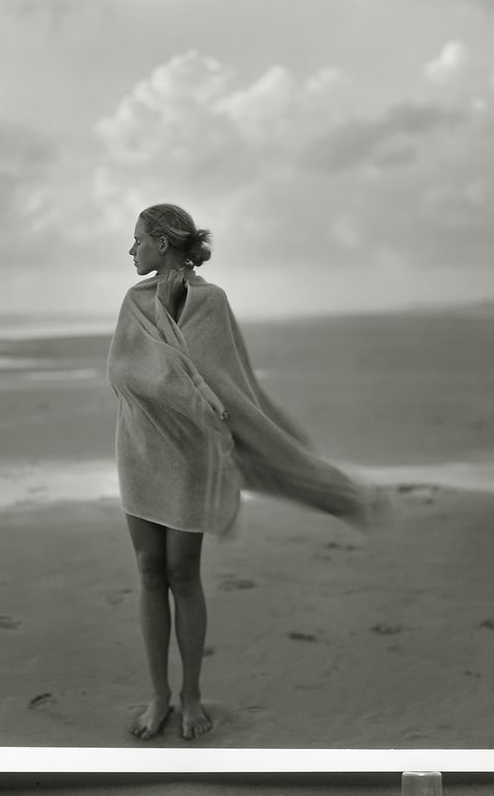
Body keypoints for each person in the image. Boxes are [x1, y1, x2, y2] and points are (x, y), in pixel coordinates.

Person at [106, 203, 382, 742]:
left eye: (138, 239)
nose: (131, 250)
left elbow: (224, 385)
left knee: (182, 572)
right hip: (140, 445)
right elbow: (121, 372)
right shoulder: (133, 301)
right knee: (147, 568)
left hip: (191, 453)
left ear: (164, 242)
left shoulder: (210, 302)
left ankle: (191, 694)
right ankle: (158, 693)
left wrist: (172, 385)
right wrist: (169, 383)